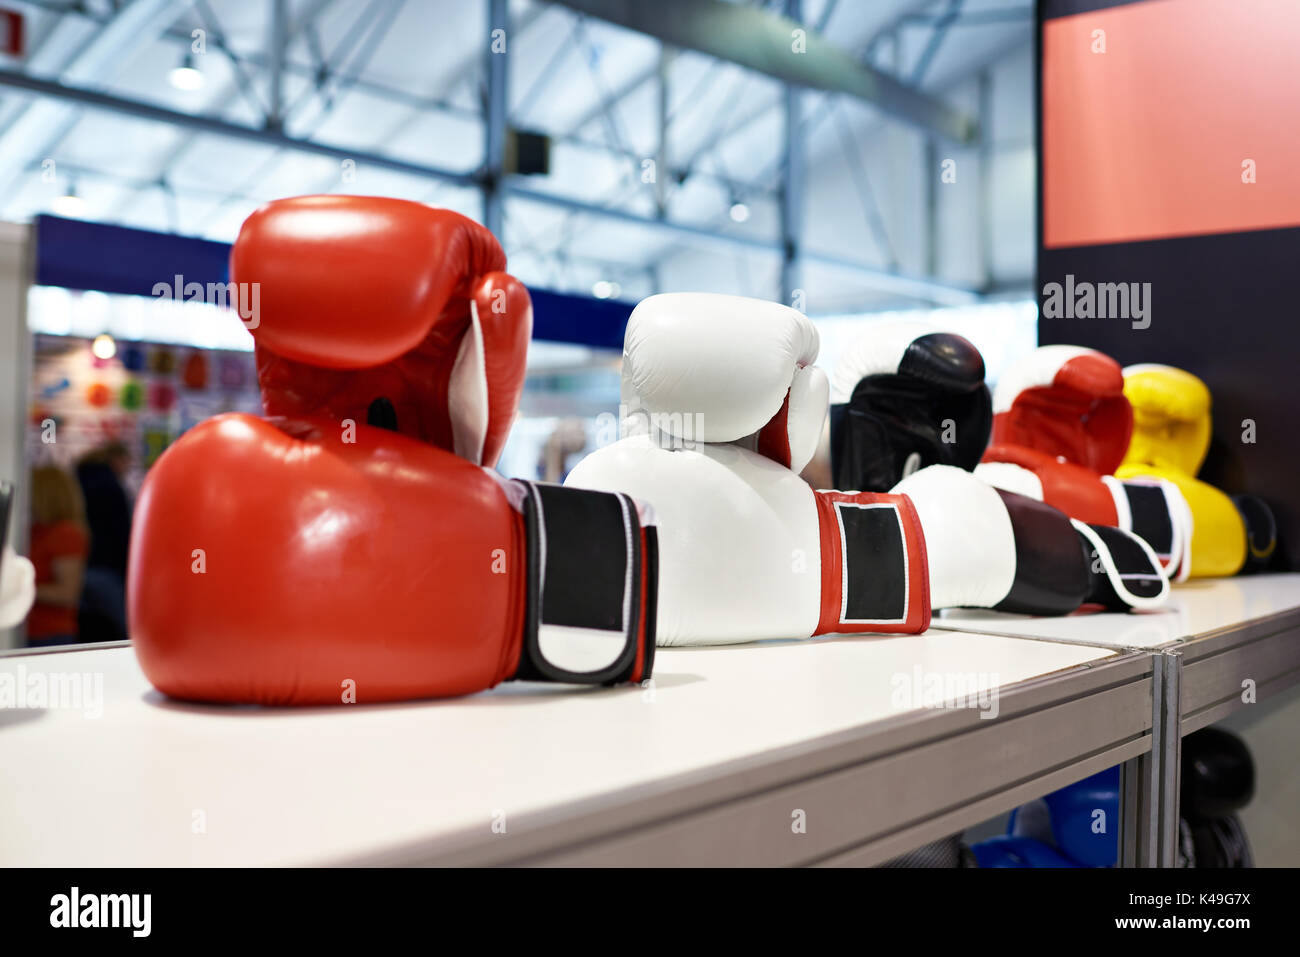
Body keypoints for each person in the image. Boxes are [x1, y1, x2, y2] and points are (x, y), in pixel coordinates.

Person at [75, 441, 132, 642]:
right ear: (116, 459)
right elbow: (121, 532)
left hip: (77, 565)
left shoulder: (78, 478)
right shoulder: (111, 485)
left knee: (86, 627)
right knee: (122, 633)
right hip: (106, 567)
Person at [27, 466, 89, 646]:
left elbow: (67, 592)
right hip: (31, 630)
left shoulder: (65, 534)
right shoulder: (35, 531)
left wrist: (21, 590)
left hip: (49, 635)